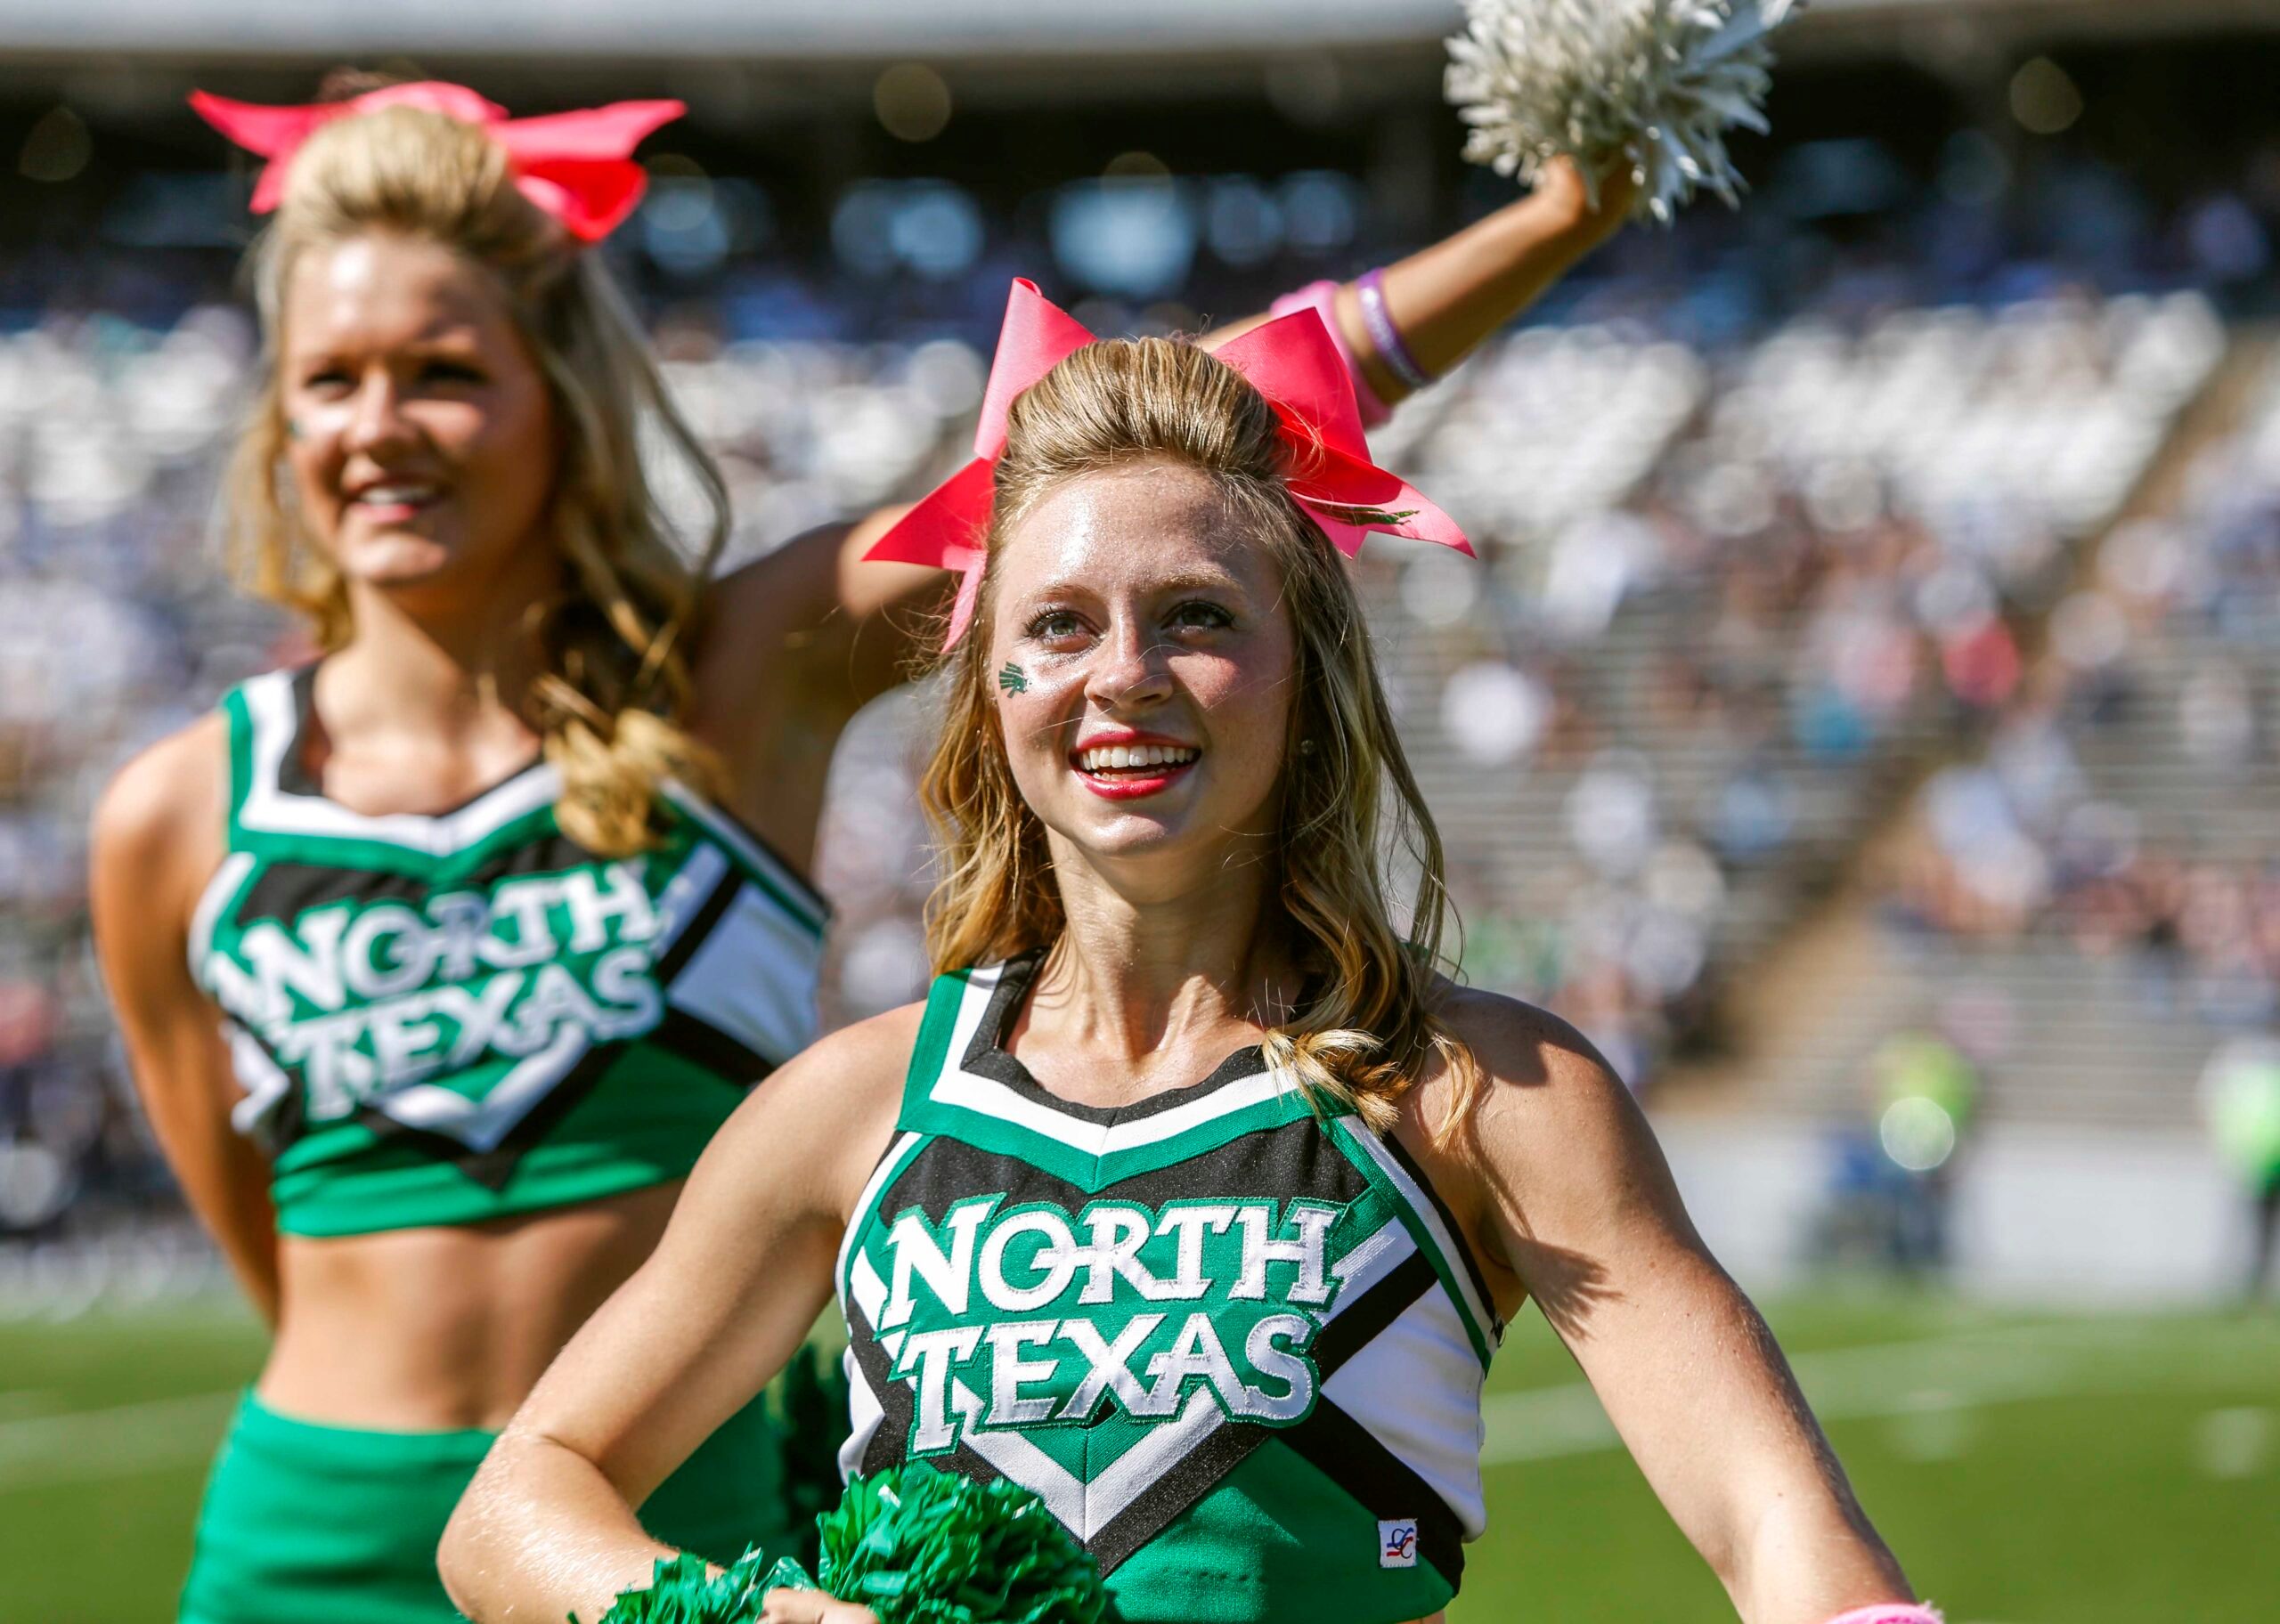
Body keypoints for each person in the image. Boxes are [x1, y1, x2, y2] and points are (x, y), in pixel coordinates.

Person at [91, 78, 1637, 1624]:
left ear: (557, 389)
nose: (380, 429)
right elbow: (262, 1230)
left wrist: (1551, 224)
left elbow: (1140, 451)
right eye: (329, 382)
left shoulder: (737, 676)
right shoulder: (176, 814)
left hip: (684, 1530)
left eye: (442, 373)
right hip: (304, 1540)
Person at [439, 296, 1929, 1624]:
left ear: (1310, 673)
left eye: (1199, 618)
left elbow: (1775, 1524)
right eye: (1061, 624)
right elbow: (518, 1510)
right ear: (991, 690)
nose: (1124, 676)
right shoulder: (856, 1110)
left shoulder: (1477, 1091)